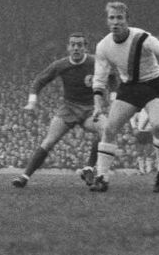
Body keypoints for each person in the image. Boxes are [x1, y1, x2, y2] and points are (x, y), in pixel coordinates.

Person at [87, 1, 159, 192]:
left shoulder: (140, 37)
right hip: (129, 88)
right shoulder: (103, 46)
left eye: (120, 18)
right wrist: (98, 105)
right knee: (109, 129)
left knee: (157, 125)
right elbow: (99, 79)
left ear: (127, 20)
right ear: (107, 21)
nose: (116, 22)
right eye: (112, 18)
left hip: (153, 85)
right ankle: (102, 178)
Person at [11, 32, 105, 188]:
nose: (76, 48)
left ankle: (89, 168)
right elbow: (39, 81)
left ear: (85, 47)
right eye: (73, 45)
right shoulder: (61, 64)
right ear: (68, 47)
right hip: (68, 108)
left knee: (105, 130)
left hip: (90, 109)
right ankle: (24, 177)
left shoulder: (94, 62)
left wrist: (114, 97)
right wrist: (32, 102)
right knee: (49, 141)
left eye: (79, 45)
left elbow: (112, 76)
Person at [130, 109, 155, 176]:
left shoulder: (152, 109)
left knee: (149, 152)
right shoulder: (139, 109)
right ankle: (141, 170)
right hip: (140, 132)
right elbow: (132, 118)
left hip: (149, 132)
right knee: (140, 152)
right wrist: (134, 127)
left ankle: (149, 170)